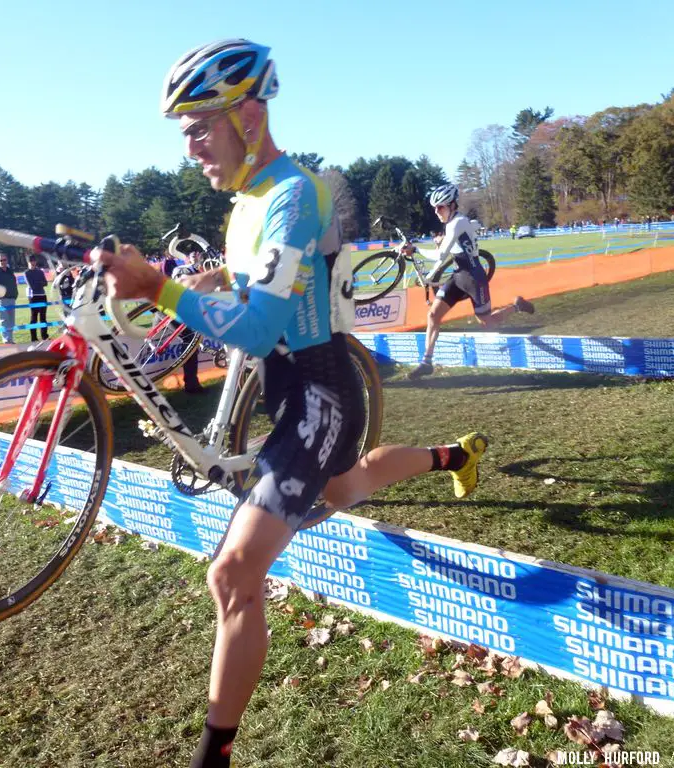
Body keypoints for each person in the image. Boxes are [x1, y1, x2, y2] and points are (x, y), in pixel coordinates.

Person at [96, 39, 490, 768]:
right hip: (298, 392)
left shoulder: (291, 193)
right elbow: (255, 288)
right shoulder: (247, 203)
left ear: (248, 115)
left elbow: (259, 327)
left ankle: (214, 755)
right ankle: (453, 455)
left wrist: (159, 287)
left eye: (199, 128)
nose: (190, 149)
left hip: (318, 390)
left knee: (233, 573)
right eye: (183, 132)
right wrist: (210, 279)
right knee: (353, 481)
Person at [408, 184, 535, 379]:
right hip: (459, 275)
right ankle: (427, 362)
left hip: (474, 277)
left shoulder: (457, 222)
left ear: (451, 205)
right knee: (433, 315)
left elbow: (440, 256)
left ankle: (517, 306)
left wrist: (415, 249)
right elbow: (461, 237)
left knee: (487, 322)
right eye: (434, 208)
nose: (436, 212)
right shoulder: (452, 222)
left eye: (440, 207)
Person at [170, 245, 206, 394]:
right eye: (193, 255)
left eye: (198, 255)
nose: (196, 257)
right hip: (178, 310)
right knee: (190, 343)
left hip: (172, 309)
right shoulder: (184, 269)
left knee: (191, 343)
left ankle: (191, 383)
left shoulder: (200, 270)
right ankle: (191, 385)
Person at [0, 252, 18, 344]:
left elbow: (13, 282)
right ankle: (6, 340)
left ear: (7, 260)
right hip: (1, 300)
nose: (3, 262)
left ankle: (10, 339)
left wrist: (15, 294)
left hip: (11, 299)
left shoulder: (9, 271)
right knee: (4, 321)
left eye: (4, 260)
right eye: (1, 260)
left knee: (11, 321)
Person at [24, 255, 50, 343]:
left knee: (43, 317)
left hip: (42, 295)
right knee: (34, 317)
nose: (33, 262)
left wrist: (39, 283)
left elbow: (45, 283)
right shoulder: (27, 273)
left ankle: (44, 336)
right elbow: (32, 286)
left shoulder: (40, 271)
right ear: (28, 262)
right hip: (33, 296)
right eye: (31, 261)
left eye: (34, 261)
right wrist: (40, 283)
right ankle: (34, 338)